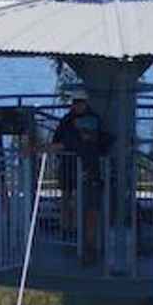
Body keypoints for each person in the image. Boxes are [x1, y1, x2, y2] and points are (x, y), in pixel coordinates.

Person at [52, 92, 114, 264]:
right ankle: (66, 229)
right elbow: (59, 139)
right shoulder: (66, 120)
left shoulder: (91, 120)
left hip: (85, 168)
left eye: (81, 102)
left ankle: (81, 237)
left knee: (82, 203)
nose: (78, 105)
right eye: (76, 102)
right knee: (66, 197)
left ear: (86, 103)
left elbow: (83, 141)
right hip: (67, 166)